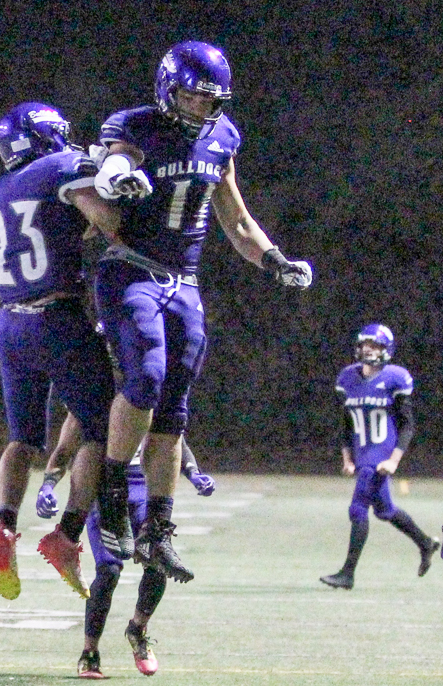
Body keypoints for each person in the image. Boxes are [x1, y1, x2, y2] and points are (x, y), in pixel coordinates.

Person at [90, 41, 313, 584]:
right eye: (190, 97)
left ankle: (157, 531)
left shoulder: (223, 136)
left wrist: (275, 260)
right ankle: (113, 493)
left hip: (184, 282)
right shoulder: (136, 126)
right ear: (168, 90)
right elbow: (115, 160)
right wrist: (116, 175)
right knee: (146, 376)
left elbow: (235, 219)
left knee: (173, 411)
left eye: (208, 99)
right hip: (132, 269)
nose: (198, 107)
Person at [0, 102, 121, 601]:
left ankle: (3, 528)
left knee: (21, 439)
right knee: (103, 430)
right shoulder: (60, 166)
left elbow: (52, 226)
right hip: (56, 318)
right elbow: (105, 220)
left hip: (9, 323)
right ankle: (67, 533)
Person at [35, 411, 216, 678]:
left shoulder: (147, 393)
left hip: (145, 490)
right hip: (104, 492)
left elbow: (173, 438)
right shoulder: (93, 397)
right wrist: (48, 485)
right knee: (108, 571)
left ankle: (137, 629)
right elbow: (65, 448)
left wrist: (193, 472)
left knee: (157, 559)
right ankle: (90, 652)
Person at [320, 324, 440, 590]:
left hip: (381, 452)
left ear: (387, 350)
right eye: (366, 345)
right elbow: (346, 424)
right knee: (385, 511)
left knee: (357, 508)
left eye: (375, 346)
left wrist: (394, 460)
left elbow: (407, 426)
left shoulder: (395, 378)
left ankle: (347, 574)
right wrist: (347, 458)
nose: (369, 350)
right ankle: (426, 543)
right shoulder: (347, 378)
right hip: (362, 451)